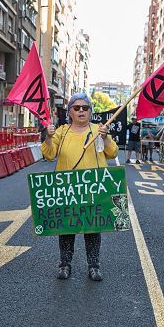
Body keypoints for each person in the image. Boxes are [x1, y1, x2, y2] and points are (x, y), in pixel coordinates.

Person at [42, 92, 118, 281]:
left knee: (93, 229)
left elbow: (112, 152)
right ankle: (65, 265)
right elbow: (49, 154)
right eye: (77, 108)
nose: (81, 111)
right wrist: (48, 137)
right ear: (70, 113)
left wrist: (106, 138)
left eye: (85, 107)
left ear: (91, 111)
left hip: (94, 189)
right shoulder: (62, 131)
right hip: (67, 189)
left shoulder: (99, 130)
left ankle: (94, 266)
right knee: (66, 229)